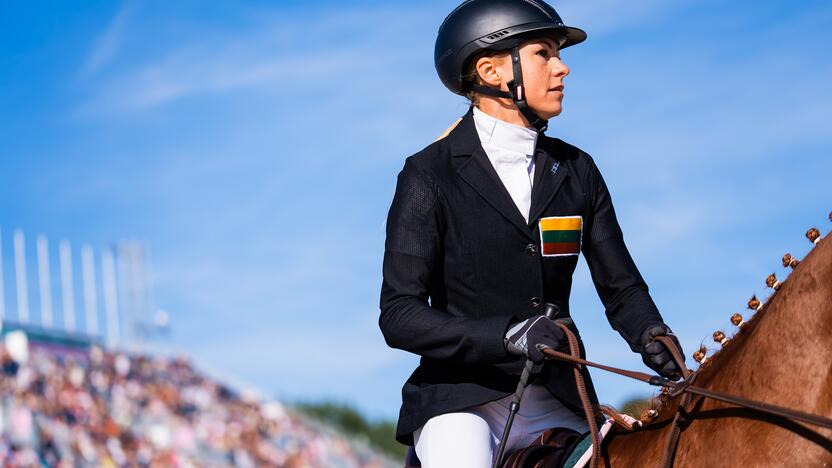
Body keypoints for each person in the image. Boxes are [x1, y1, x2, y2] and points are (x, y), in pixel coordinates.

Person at [379, 1, 684, 466]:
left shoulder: (578, 170)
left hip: (560, 399)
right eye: (544, 53)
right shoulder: (428, 174)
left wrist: (652, 336)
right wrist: (506, 335)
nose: (563, 69)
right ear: (491, 70)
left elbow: (621, 288)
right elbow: (399, 315)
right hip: (462, 402)